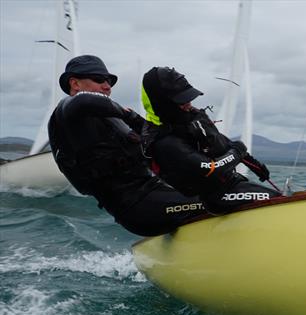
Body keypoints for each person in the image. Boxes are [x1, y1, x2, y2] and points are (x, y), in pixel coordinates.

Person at [47, 55, 207, 236]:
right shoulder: (67, 110)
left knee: (226, 191)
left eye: (109, 81)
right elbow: (84, 101)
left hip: (156, 194)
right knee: (218, 201)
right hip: (136, 206)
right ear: (75, 84)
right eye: (99, 80)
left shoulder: (113, 121)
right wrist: (130, 116)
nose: (107, 86)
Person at [140, 66, 280, 215]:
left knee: (277, 196)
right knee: (276, 200)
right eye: (182, 102)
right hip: (216, 197)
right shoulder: (165, 142)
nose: (189, 105)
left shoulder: (188, 121)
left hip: (233, 184)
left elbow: (223, 143)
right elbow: (210, 168)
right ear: (163, 105)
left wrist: (254, 165)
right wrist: (237, 152)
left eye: (189, 99)